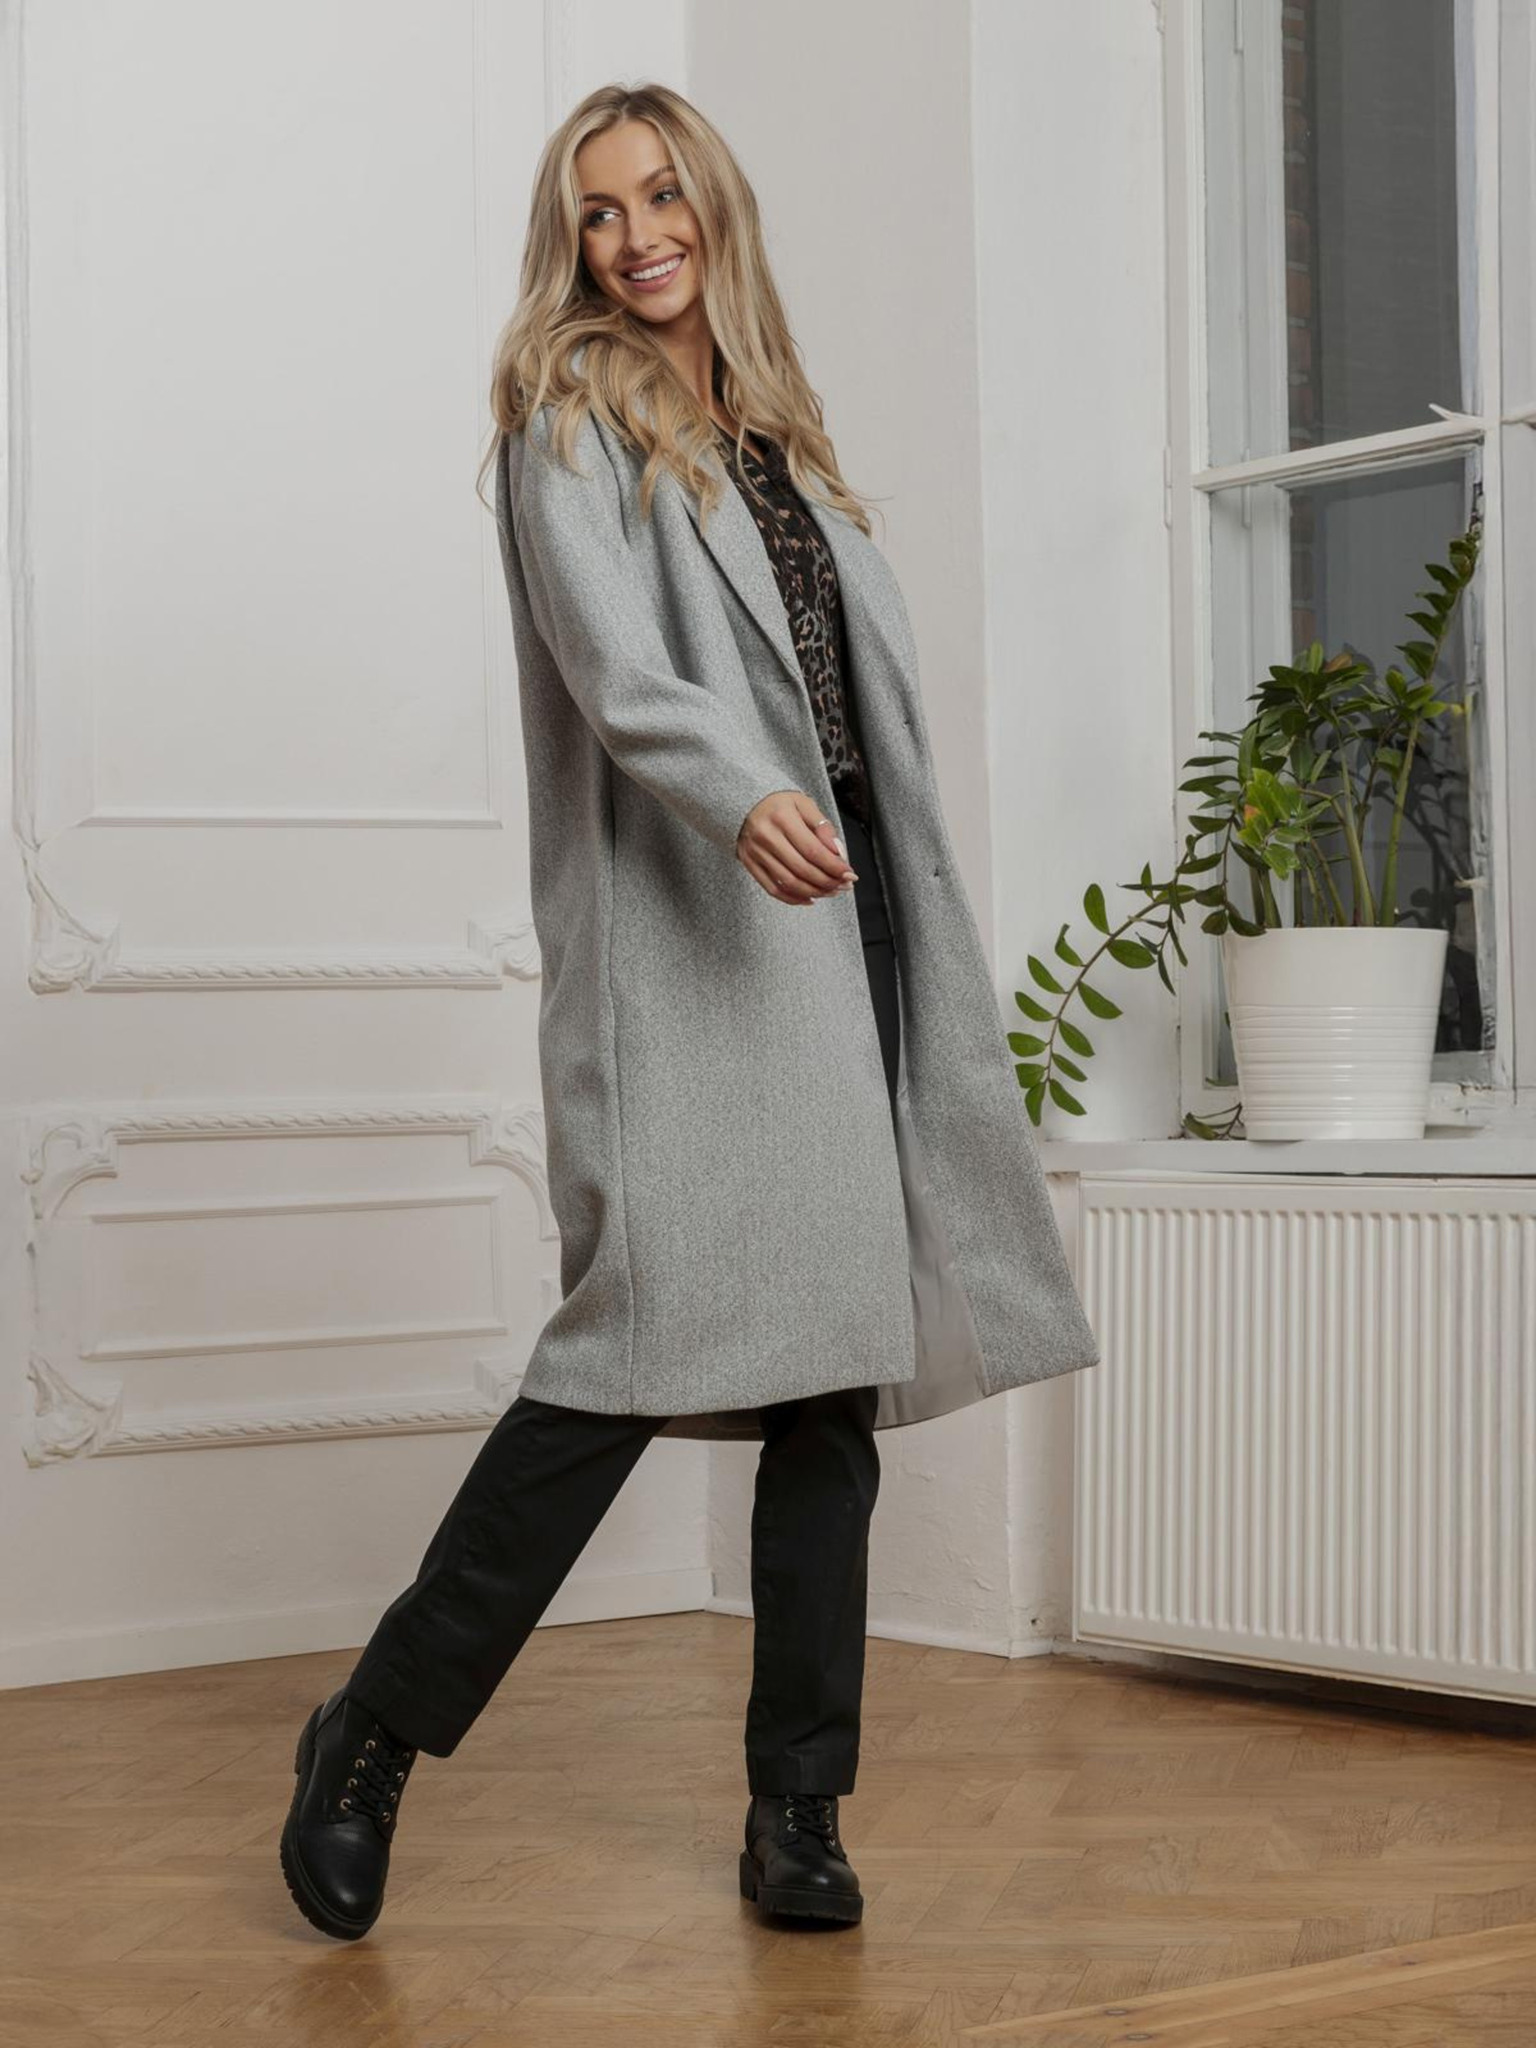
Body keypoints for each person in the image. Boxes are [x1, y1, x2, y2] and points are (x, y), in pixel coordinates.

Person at [278, 80, 1100, 1944]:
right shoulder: (564, 411)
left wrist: (838, 841)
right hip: (699, 948)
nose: (639, 235)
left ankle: (798, 1812)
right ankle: (373, 1731)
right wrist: (744, 797)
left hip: (851, 939)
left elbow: (856, 705)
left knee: (830, 1388)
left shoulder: (780, 430)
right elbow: (615, 667)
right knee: (623, 1356)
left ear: (714, 207)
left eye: (663, 197)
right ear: (567, 242)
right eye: (601, 210)